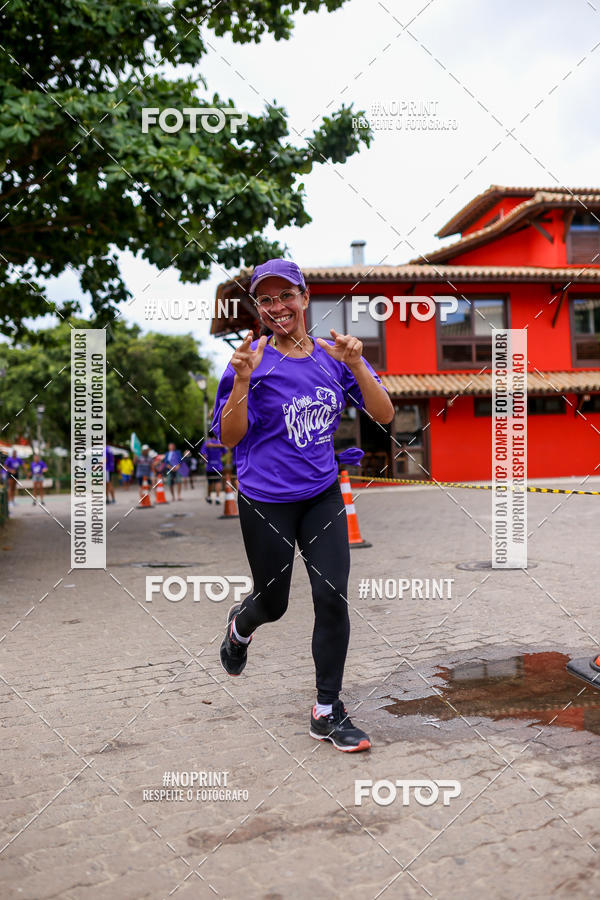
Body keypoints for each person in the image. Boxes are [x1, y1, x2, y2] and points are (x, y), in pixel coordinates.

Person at [212, 258, 394, 752]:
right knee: (274, 603)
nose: (277, 307)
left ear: (305, 296)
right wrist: (244, 383)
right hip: (265, 499)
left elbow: (384, 413)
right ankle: (240, 625)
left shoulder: (336, 356)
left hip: (321, 495)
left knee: (332, 595)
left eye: (284, 295)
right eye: (265, 300)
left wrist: (357, 364)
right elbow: (230, 437)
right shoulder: (248, 361)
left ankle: (327, 709)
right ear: (257, 307)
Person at [199, 435, 226, 504]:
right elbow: (224, 453)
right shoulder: (220, 443)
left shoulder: (206, 443)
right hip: (218, 466)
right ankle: (217, 498)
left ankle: (209, 497)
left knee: (210, 482)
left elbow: (204, 455)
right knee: (218, 481)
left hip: (209, 466)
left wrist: (205, 461)